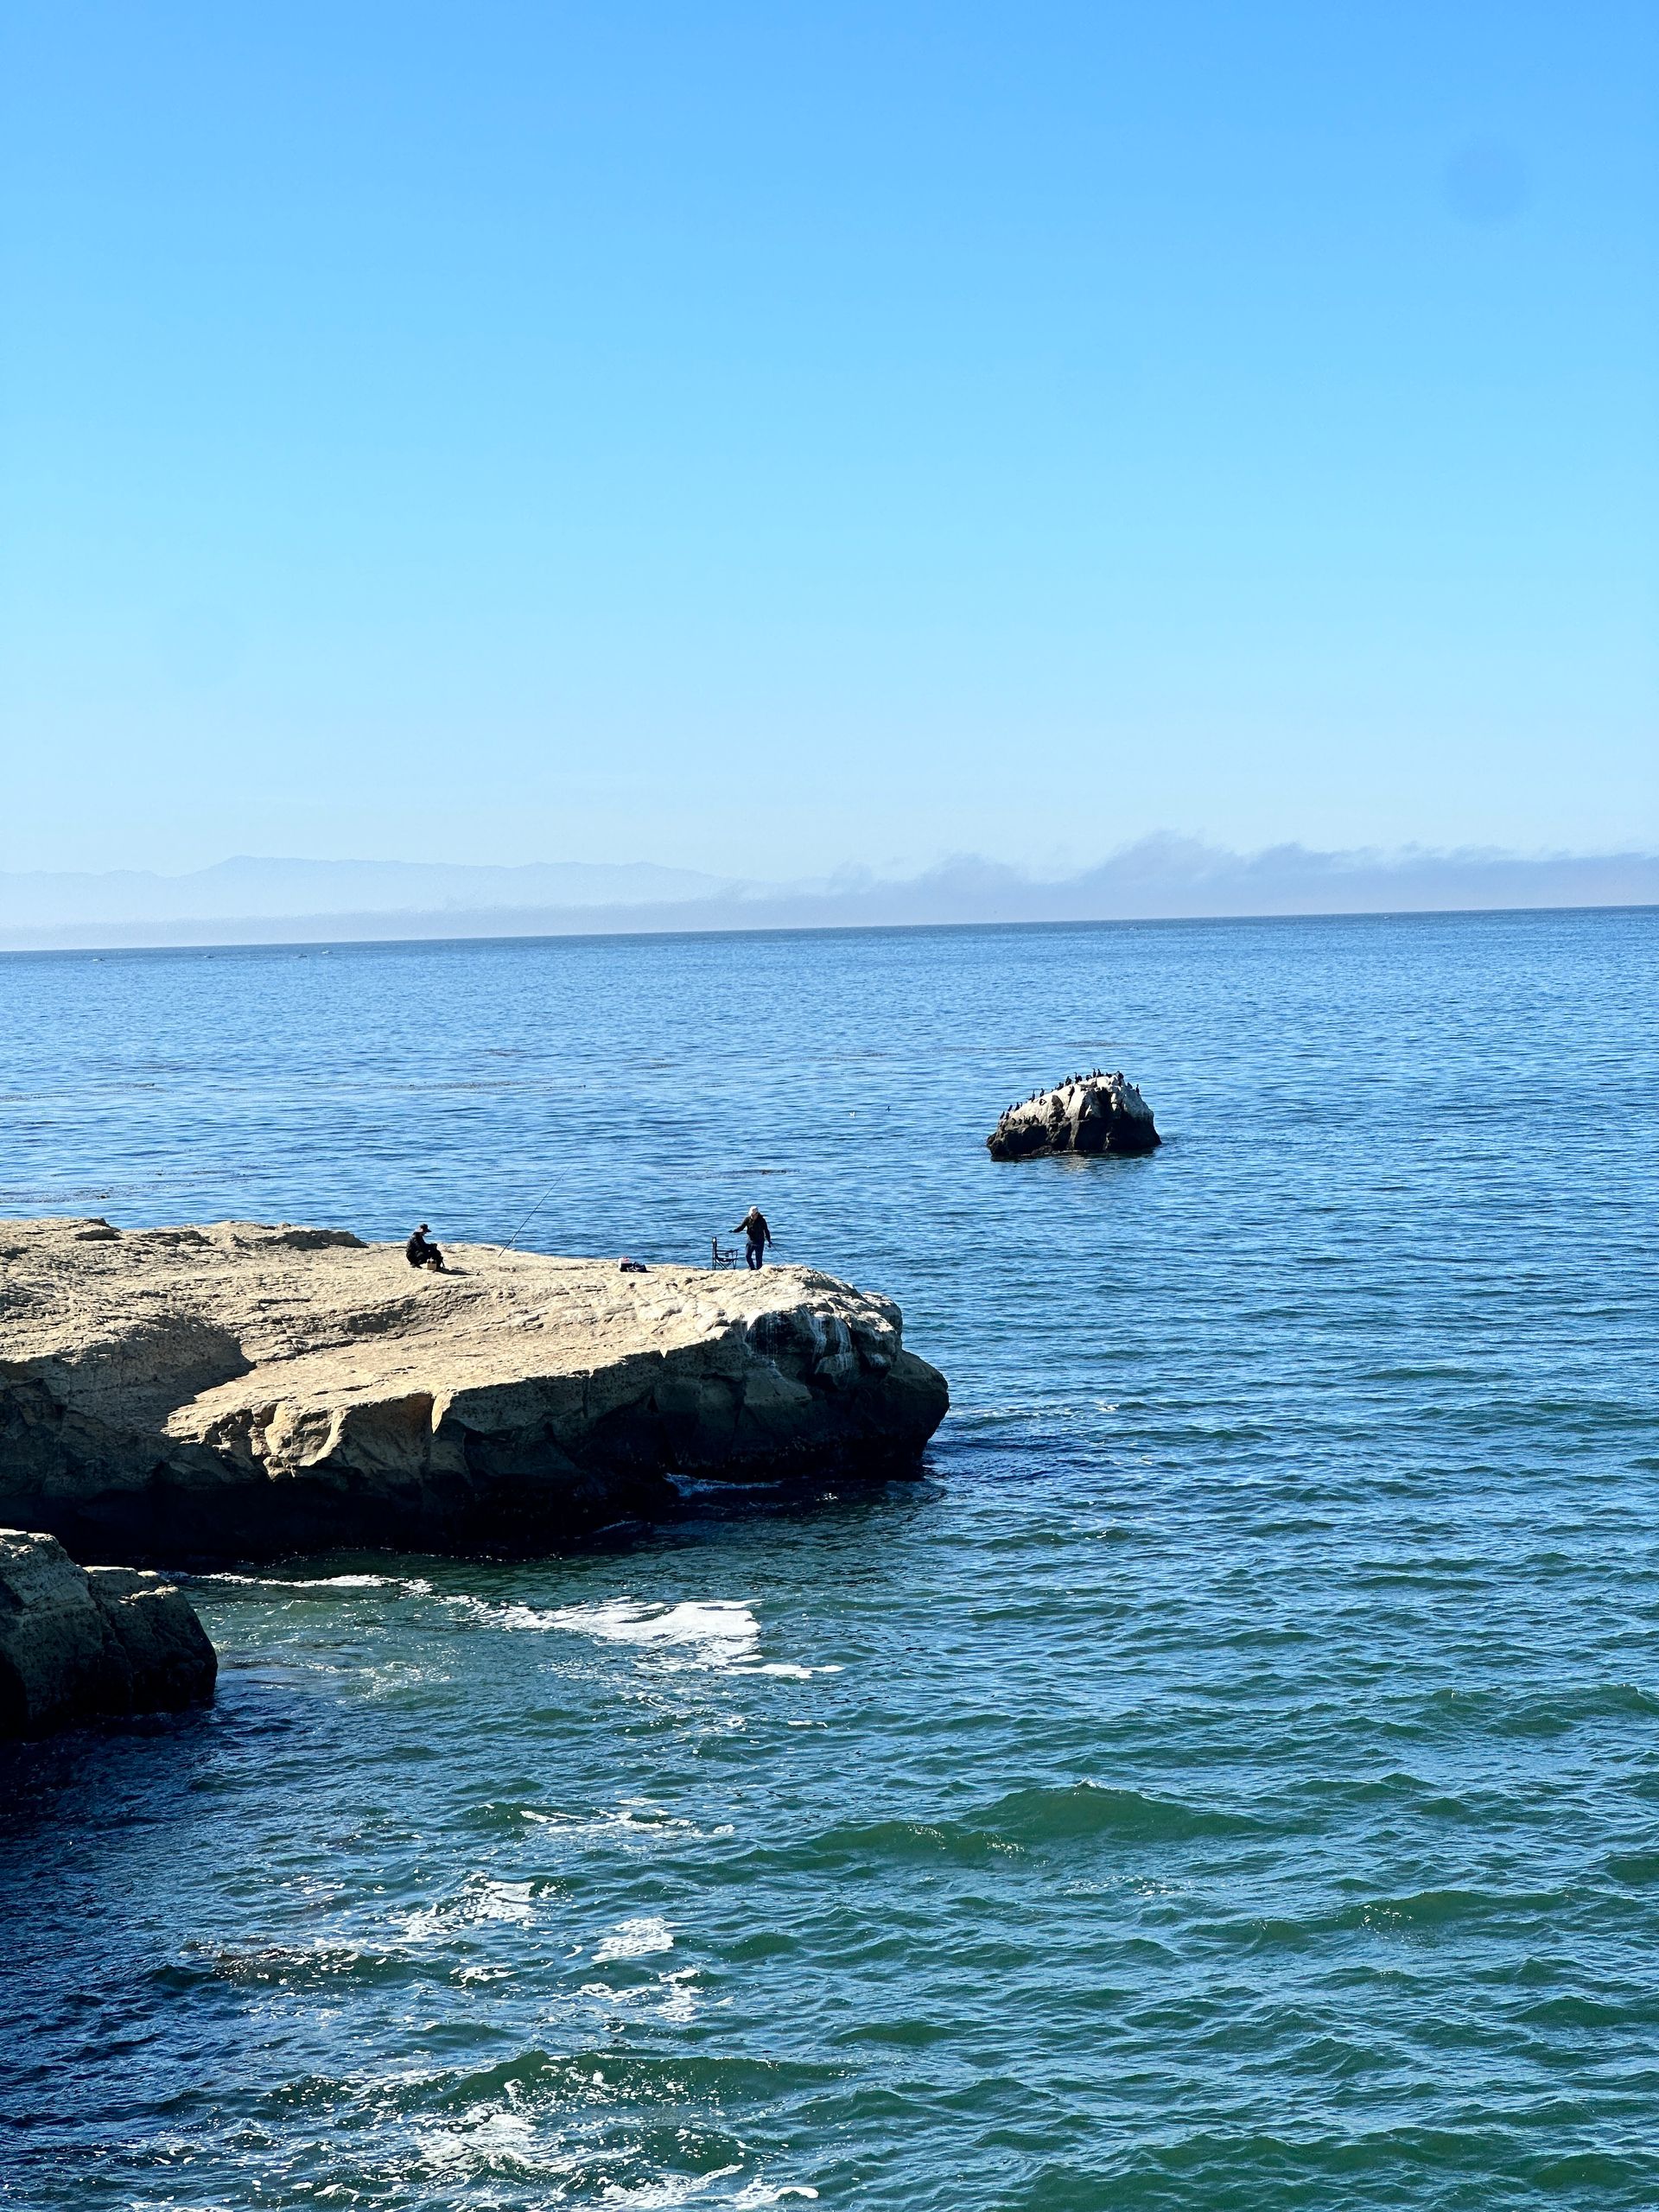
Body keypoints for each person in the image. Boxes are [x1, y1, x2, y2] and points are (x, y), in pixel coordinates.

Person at [733, 1206, 772, 1270]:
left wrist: (769, 1240)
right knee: (747, 1256)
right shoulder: (747, 1219)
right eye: (750, 1215)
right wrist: (734, 1231)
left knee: (758, 1258)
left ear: (757, 1214)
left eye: (752, 1215)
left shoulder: (762, 1220)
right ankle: (753, 1269)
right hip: (750, 1241)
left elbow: (766, 1230)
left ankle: (759, 1270)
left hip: (759, 1242)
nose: (751, 1216)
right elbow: (741, 1227)